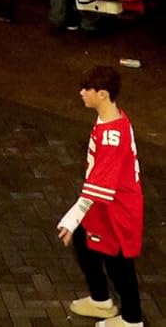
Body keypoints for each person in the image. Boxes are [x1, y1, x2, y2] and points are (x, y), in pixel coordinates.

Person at [59, 65, 143, 327]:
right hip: (105, 205)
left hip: (116, 210)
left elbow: (100, 185)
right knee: (84, 242)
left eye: (87, 89)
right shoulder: (113, 119)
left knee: (119, 263)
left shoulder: (111, 137)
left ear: (103, 94)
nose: (81, 93)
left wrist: (72, 217)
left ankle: (132, 320)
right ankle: (100, 300)